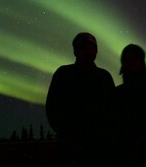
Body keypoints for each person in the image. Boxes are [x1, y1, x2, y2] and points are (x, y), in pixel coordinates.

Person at [45, 32, 115, 167]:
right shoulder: (63, 74)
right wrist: (67, 133)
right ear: (76, 51)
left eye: (91, 47)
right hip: (71, 147)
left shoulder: (104, 77)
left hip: (99, 148)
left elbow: (113, 110)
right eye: (84, 47)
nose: (88, 51)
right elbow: (52, 109)